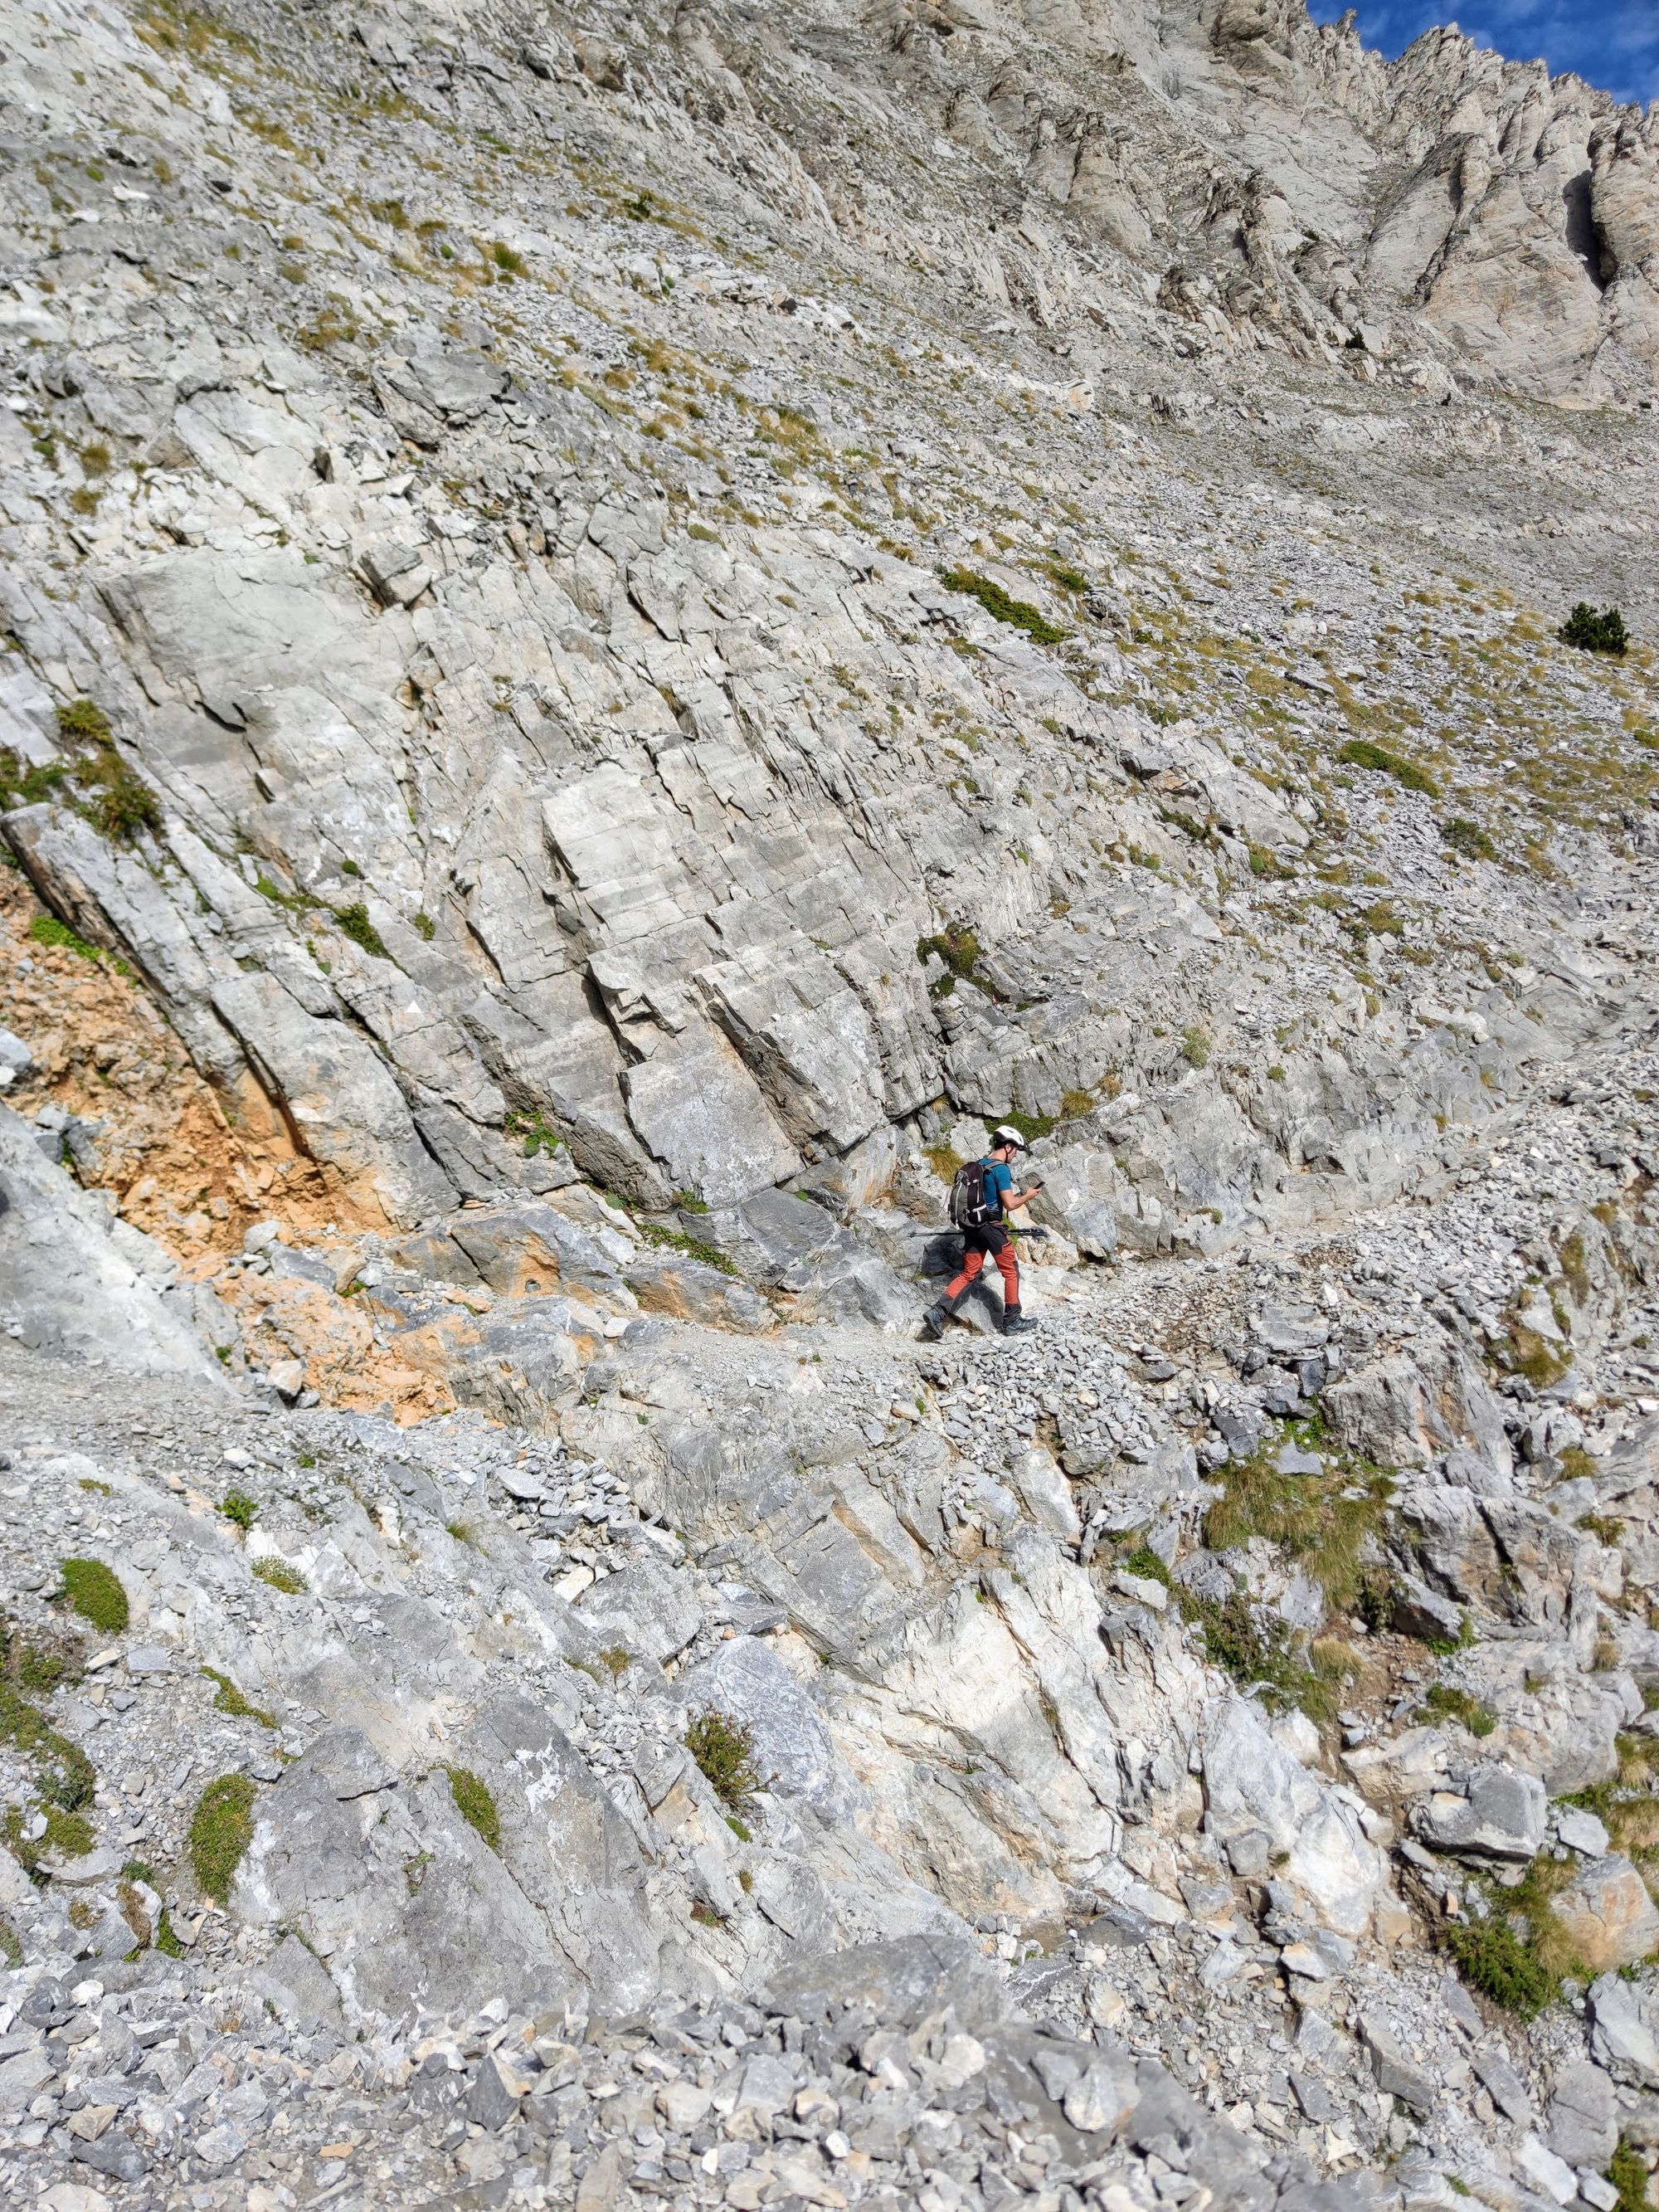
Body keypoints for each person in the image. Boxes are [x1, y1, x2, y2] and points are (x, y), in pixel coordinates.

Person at [922, 1124, 1044, 1339]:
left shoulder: (980, 1165)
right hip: (992, 1228)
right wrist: (1028, 1195)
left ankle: (937, 1312)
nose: (1015, 1155)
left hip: (973, 1227)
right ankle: (1012, 1320)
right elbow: (1010, 1203)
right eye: (1015, 1150)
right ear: (1007, 1146)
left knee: (969, 1273)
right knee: (1011, 1271)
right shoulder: (1001, 1169)